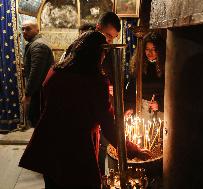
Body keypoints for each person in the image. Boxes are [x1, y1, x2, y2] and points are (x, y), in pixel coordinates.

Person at [19, 31, 151, 189]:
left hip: (51, 144)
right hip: (78, 148)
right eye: (103, 53)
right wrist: (132, 149)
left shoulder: (55, 72)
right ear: (97, 54)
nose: (104, 58)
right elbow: (108, 125)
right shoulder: (95, 82)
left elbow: (44, 107)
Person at [21, 20, 54, 128]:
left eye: (28, 29)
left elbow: (36, 72)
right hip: (39, 90)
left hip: (39, 92)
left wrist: (28, 94)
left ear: (37, 30)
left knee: (39, 122)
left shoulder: (38, 45)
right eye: (23, 29)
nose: (24, 31)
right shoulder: (36, 43)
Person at [127, 32, 165, 120]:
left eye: (154, 49)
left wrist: (160, 104)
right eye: (147, 49)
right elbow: (132, 89)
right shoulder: (139, 65)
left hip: (161, 110)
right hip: (142, 108)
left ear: (160, 50)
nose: (150, 52)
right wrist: (130, 107)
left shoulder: (166, 66)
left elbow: (171, 92)